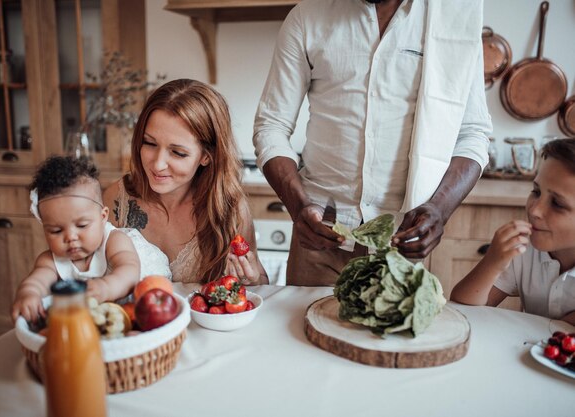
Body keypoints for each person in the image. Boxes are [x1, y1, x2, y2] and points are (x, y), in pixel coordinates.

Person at [253, 0, 492, 286]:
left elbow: (473, 134)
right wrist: (298, 206)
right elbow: (271, 124)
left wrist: (440, 209)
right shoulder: (307, 17)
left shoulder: (453, 21)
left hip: (401, 246)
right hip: (318, 245)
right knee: (303, 330)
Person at [103, 79, 268, 284]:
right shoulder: (116, 199)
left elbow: (260, 281)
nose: (158, 164)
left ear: (206, 156)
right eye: (149, 143)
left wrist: (251, 279)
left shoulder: (230, 210)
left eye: (178, 153)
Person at [12, 156, 169, 323]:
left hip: (138, 300)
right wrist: (28, 294)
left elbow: (129, 271)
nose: (71, 237)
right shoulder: (49, 261)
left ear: (102, 217)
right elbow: (37, 281)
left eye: (82, 226)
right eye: (56, 230)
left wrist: (106, 287)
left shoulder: (115, 240)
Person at [451, 139, 575, 326]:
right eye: (536, 191)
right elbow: (462, 309)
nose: (534, 210)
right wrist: (493, 262)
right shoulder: (524, 249)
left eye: (557, 204)